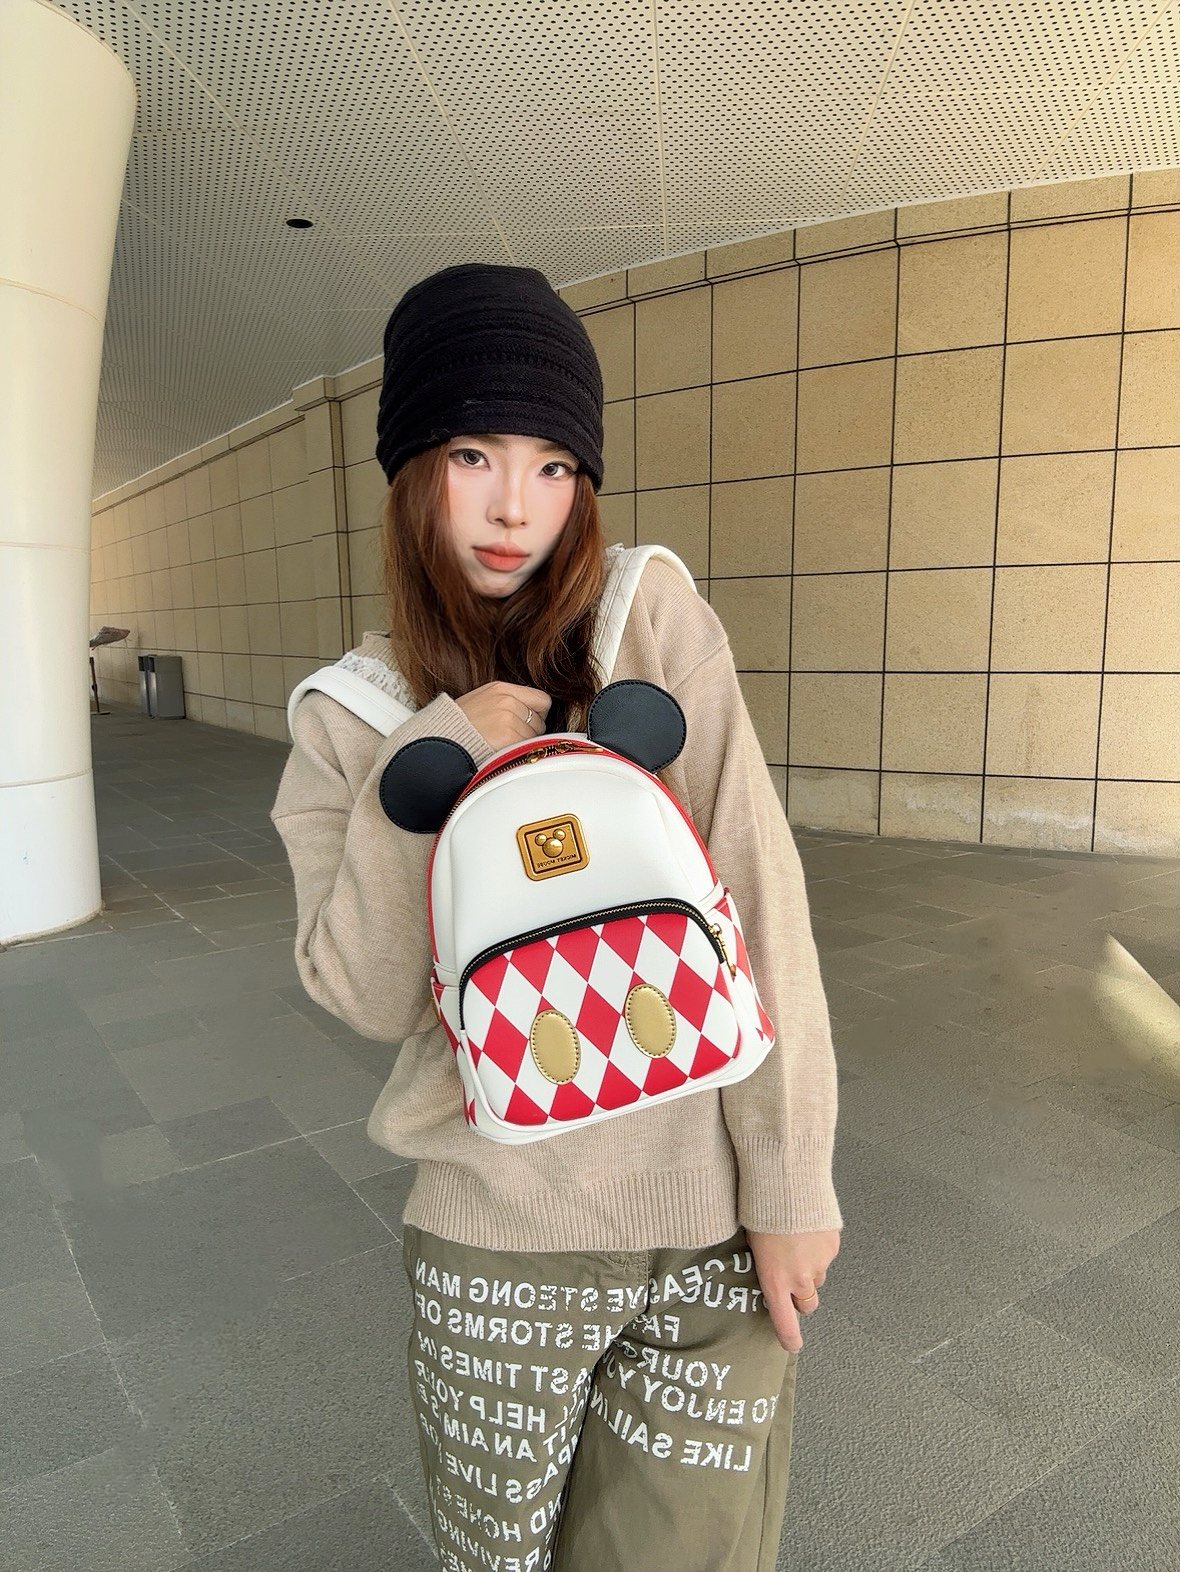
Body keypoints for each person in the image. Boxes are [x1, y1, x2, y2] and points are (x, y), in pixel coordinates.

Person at [272, 263, 841, 1572]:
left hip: (706, 1230)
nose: (514, 506)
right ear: (412, 470)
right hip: (497, 1246)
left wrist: (792, 1180)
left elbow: (759, 894)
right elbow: (365, 993)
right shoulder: (347, 718)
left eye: (553, 465)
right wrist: (429, 760)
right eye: (473, 454)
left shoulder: (650, 616)